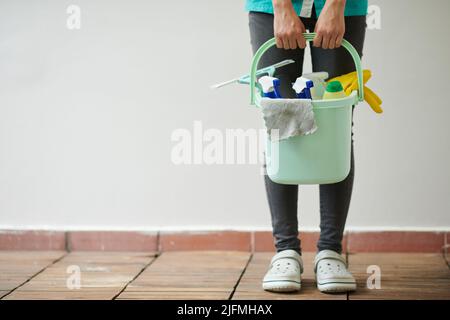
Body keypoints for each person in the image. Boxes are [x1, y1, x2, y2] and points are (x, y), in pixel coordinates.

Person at [246, 0, 367, 293]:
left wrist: (336, 5)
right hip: (271, 7)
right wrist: (281, 6)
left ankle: (330, 252)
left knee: (336, 125)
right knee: (281, 120)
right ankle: (286, 252)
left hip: (344, 7)